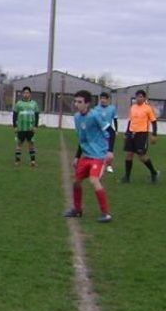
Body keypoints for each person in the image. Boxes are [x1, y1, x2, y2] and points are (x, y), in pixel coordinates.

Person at [63, 90, 114, 223]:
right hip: (86, 156)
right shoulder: (77, 117)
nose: (76, 104)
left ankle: (106, 213)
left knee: (94, 180)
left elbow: (111, 132)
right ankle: (77, 210)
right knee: (76, 181)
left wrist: (110, 151)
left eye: (80, 102)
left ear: (87, 104)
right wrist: (76, 157)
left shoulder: (95, 116)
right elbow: (82, 139)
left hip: (99, 155)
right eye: (75, 101)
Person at [121, 89, 158, 183]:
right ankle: (127, 177)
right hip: (131, 133)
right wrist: (126, 133)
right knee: (128, 155)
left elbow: (154, 122)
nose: (138, 98)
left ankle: (153, 172)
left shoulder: (148, 108)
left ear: (144, 98)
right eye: (137, 96)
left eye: (141, 96)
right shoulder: (133, 107)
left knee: (141, 156)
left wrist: (154, 134)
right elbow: (130, 121)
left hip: (142, 135)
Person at [12, 86, 39, 167]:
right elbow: (14, 115)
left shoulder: (34, 104)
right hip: (21, 127)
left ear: (30, 94)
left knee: (31, 144)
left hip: (30, 128)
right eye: (24, 93)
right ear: (22, 94)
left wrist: (36, 126)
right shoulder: (18, 104)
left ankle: (33, 161)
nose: (26, 94)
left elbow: (37, 115)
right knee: (19, 144)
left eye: (27, 93)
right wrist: (15, 126)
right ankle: (17, 161)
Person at [95, 92, 118, 173]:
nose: (102, 100)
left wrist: (116, 130)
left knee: (109, 151)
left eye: (104, 98)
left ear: (108, 99)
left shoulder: (112, 108)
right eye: (101, 98)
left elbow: (115, 119)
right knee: (98, 150)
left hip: (109, 133)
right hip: (99, 133)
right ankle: (98, 164)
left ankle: (109, 165)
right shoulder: (96, 109)